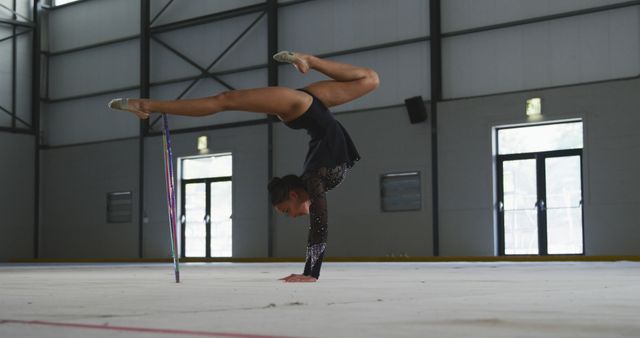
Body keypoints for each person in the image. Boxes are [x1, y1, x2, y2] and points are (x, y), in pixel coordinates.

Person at [108, 51, 379, 282]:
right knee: (226, 99)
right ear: (294, 194)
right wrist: (311, 273)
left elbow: (317, 224)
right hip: (306, 107)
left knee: (370, 79)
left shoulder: (313, 180)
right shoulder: (314, 182)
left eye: (286, 212)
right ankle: (145, 104)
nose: (292, 216)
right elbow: (320, 225)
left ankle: (307, 59)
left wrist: (310, 272)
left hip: (306, 109)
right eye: (287, 210)